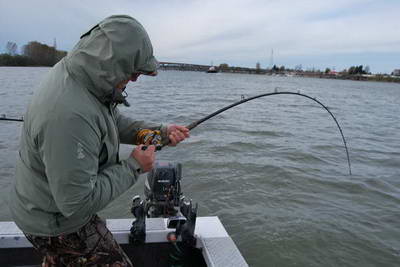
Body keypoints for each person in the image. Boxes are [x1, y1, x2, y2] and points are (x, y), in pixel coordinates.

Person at [9, 15, 189, 266]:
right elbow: (77, 204)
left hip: (44, 205)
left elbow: (112, 121)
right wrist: (134, 166)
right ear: (112, 63)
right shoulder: (69, 115)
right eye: (134, 71)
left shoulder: (84, 79)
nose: (135, 79)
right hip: (53, 222)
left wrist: (160, 132)